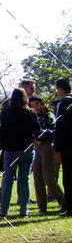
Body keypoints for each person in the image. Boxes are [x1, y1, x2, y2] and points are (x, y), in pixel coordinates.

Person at [0, 88, 40, 218]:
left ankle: (3, 211)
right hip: (27, 149)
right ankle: (24, 211)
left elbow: (2, 130)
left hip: (10, 149)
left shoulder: (7, 113)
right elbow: (37, 130)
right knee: (24, 180)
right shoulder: (31, 113)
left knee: (7, 180)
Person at [28, 96, 65, 214]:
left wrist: (41, 135)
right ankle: (42, 207)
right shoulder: (32, 117)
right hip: (37, 147)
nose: (35, 107)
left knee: (48, 178)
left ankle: (64, 202)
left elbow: (54, 131)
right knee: (37, 177)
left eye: (37, 104)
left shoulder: (49, 116)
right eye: (32, 105)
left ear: (42, 104)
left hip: (48, 147)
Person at [54, 77, 72, 216]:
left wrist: (57, 148)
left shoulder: (63, 103)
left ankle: (70, 208)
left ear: (60, 89)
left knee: (68, 178)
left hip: (67, 146)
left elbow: (59, 128)